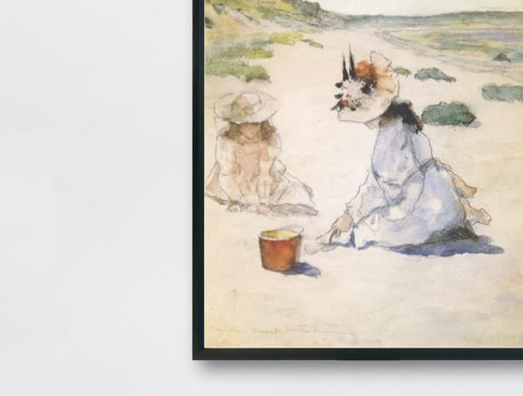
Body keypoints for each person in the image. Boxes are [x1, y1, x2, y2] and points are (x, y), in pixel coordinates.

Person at [317, 51, 490, 250]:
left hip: (427, 205)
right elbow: (375, 184)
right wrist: (349, 214)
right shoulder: (388, 132)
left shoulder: (400, 134)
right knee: (359, 226)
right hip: (411, 200)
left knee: (364, 233)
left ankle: (450, 223)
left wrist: (395, 213)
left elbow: (413, 185)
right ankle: (456, 218)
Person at [205, 90, 317, 215]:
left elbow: (265, 173)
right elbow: (228, 173)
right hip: (235, 181)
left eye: (255, 124)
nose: (251, 129)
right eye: (245, 124)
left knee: (295, 195)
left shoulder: (268, 141)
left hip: (264, 181)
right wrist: (234, 200)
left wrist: (264, 202)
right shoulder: (227, 143)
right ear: (236, 125)